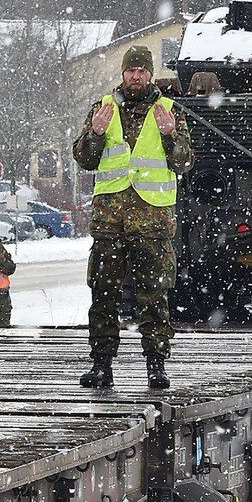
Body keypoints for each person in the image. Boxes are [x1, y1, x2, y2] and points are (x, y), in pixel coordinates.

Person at [72, 45, 194, 389]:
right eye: (131, 71)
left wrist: (170, 136)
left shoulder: (169, 111)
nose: (136, 77)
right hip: (110, 222)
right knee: (103, 294)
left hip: (152, 222)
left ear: (150, 74)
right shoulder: (103, 109)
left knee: (154, 297)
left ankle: (156, 364)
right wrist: (95, 134)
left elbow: (185, 162)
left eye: (142, 71)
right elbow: (84, 159)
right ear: (123, 74)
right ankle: (101, 365)